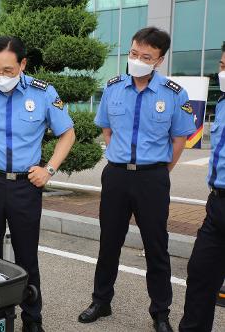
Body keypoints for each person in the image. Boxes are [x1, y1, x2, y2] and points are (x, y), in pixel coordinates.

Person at [0, 36, 75, 332]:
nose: (1, 77)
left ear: (22, 64)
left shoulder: (43, 93)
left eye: (8, 70)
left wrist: (49, 170)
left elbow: (67, 133)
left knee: (26, 257)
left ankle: (32, 319)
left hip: (25, 187)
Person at [77, 27, 195, 332]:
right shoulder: (113, 87)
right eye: (133, 53)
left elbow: (179, 138)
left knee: (156, 246)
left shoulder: (173, 93)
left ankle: (160, 313)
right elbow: (106, 129)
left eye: (146, 56)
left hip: (152, 178)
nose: (137, 60)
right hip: (116, 176)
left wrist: (159, 171)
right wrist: (120, 157)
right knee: (109, 242)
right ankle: (101, 301)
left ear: (159, 60)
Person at [179, 42, 225, 332]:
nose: (223, 71)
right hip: (218, 204)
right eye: (222, 65)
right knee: (200, 275)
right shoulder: (221, 102)